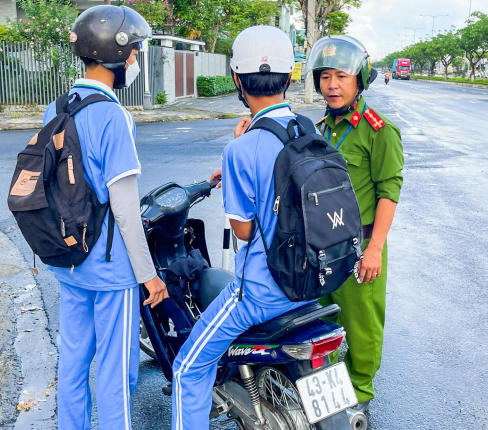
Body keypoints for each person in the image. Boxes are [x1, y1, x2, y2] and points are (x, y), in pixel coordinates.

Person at [171, 26, 310, 430]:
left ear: (236, 79)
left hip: (263, 293)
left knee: (187, 368)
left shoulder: (241, 149)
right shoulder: (309, 131)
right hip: (313, 281)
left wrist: (237, 155)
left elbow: (244, 231)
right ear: (289, 76)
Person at [41, 6, 167, 429]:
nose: (134, 60)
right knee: (117, 373)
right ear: (117, 55)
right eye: (133, 53)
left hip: (69, 259)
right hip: (112, 271)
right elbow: (126, 210)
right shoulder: (114, 116)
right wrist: (149, 275)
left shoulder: (56, 107)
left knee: (74, 362)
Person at [307, 35, 404, 416]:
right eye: (325, 76)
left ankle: (358, 393)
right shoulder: (318, 129)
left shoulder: (379, 131)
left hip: (358, 245)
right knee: (318, 321)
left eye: (341, 76)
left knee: (361, 326)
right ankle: (325, 391)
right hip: (320, 246)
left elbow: (388, 192)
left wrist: (375, 248)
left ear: (359, 80)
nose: (332, 85)